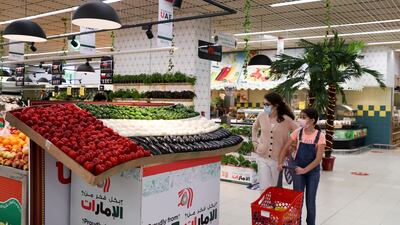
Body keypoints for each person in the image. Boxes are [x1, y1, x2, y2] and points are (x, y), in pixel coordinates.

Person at [278, 108, 326, 225]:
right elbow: (285, 147)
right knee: (297, 201)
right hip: (297, 170)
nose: (301, 120)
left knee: (310, 202)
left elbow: (318, 159)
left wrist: (304, 170)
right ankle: (296, 222)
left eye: (304, 117)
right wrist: (280, 162)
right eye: (301, 117)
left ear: (312, 120)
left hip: (312, 172)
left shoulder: (320, 136)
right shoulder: (298, 132)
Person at [252, 92, 298, 192]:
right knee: (264, 187)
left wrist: (291, 147)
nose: (265, 107)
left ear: (276, 105)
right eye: (263, 104)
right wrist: (255, 142)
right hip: (262, 155)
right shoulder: (262, 116)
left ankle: (272, 206)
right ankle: (265, 206)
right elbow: (254, 127)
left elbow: (298, 132)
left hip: (277, 158)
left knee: (274, 186)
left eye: (267, 104)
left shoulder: (286, 120)